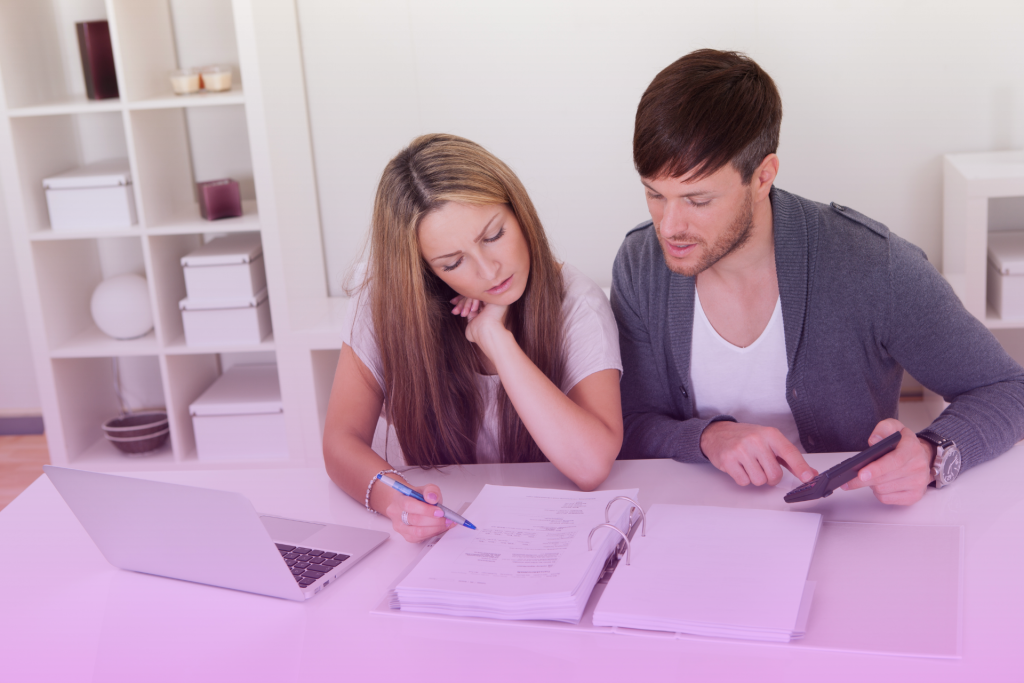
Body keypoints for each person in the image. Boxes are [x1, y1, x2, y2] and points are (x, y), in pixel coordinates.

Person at [612, 49, 1024, 505]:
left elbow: (1009, 390)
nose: (669, 227)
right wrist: (708, 437)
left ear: (763, 176)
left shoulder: (870, 264)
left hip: (847, 519)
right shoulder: (640, 263)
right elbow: (630, 422)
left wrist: (932, 454)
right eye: (655, 194)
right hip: (700, 520)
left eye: (698, 200)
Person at [324, 133, 623, 541]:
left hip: (541, 533)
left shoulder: (577, 303)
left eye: (494, 235)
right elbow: (341, 442)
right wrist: (398, 502)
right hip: (433, 542)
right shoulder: (385, 302)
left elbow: (591, 465)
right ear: (425, 271)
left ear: (518, 210)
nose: (488, 270)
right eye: (453, 263)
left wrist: (496, 339)